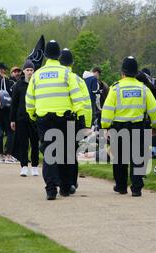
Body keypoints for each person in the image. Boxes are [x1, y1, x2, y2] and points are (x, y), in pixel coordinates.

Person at [26, 40, 87, 200]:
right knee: (66, 153)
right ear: (59, 55)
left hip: (44, 119)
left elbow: (30, 100)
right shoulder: (67, 74)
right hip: (64, 119)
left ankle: (51, 189)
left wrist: (33, 115)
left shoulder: (37, 74)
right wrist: (80, 116)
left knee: (49, 153)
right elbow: (77, 97)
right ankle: (65, 188)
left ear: (45, 55)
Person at [101, 56, 156, 197]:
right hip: (138, 127)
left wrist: (106, 126)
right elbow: (154, 109)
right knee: (138, 157)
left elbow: (108, 109)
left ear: (122, 72)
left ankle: (121, 186)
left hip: (119, 128)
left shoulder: (115, 88)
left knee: (119, 159)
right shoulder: (143, 89)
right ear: (136, 73)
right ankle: (136, 188)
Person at [59, 48, 93, 192]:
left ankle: (62, 182)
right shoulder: (78, 79)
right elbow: (86, 103)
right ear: (72, 63)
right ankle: (72, 181)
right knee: (72, 152)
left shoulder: (56, 78)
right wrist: (86, 124)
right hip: (75, 120)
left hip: (57, 119)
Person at [10, 60, 40, 177]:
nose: (29, 72)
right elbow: (14, 103)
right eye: (27, 70)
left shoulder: (37, 84)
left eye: (31, 70)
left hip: (34, 118)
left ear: (34, 71)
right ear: (24, 71)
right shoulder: (18, 85)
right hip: (21, 118)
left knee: (34, 143)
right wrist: (12, 119)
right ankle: (24, 166)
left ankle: (35, 166)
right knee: (23, 143)